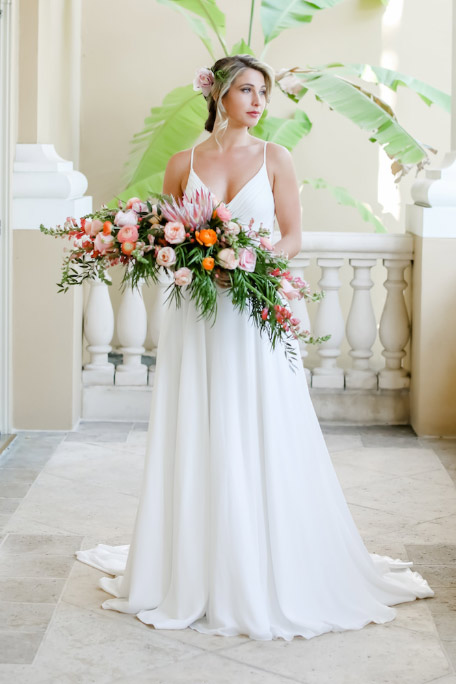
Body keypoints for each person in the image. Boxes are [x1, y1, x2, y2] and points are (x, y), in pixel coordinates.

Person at [76, 54, 434, 641]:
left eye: (263, 92)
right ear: (218, 93)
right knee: (199, 421)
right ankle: (193, 566)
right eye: (246, 90)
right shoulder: (181, 163)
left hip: (251, 308)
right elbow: (165, 233)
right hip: (197, 315)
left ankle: (265, 564)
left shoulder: (277, 158)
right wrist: (187, 259)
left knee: (256, 419)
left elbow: (292, 235)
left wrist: (247, 262)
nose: (259, 101)